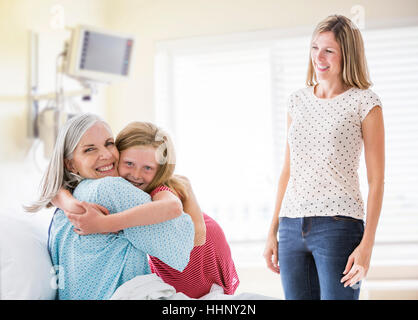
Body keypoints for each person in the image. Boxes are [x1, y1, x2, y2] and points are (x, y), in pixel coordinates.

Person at [263, 15, 385, 300]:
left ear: (347, 55)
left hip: (338, 226)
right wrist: (273, 230)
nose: (319, 56)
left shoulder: (365, 102)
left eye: (329, 50)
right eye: (315, 47)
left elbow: (376, 180)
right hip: (291, 226)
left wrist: (367, 245)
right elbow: (287, 170)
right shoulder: (297, 100)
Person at [58, 121, 240, 298]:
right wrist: (70, 204)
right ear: (118, 156)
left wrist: (103, 223)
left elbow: (184, 221)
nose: (136, 175)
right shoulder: (108, 186)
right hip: (176, 258)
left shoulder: (161, 188)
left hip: (201, 254)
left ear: (159, 170)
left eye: (147, 168)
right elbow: (55, 191)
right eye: (129, 163)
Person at [25, 113, 195, 300]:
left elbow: (54, 190)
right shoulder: (109, 188)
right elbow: (184, 241)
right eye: (90, 149)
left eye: (109, 143)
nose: (106, 155)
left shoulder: (72, 196)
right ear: (71, 165)